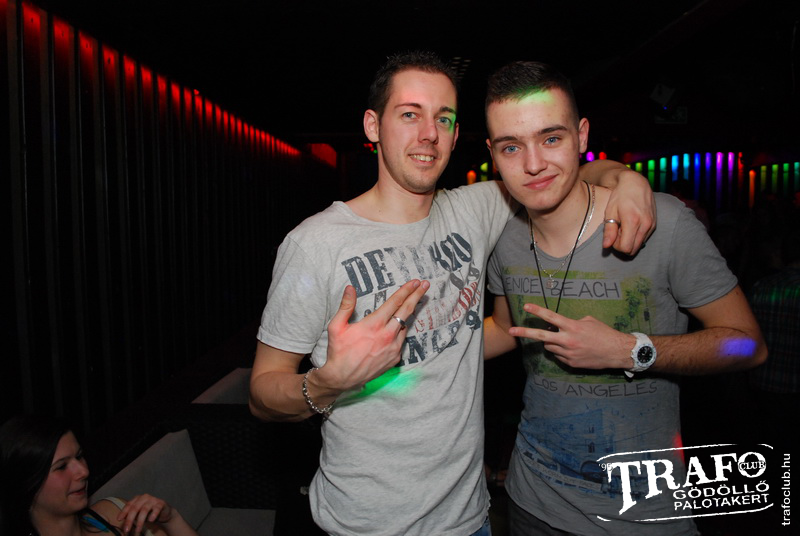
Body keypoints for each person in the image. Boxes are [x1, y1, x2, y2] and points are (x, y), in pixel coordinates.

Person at [249, 51, 656, 536]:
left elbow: (553, 171)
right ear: (373, 126)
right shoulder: (314, 244)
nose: (429, 134)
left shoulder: (477, 207)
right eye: (410, 114)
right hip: (363, 524)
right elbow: (261, 393)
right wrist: (328, 382)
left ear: (456, 134)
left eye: (443, 118)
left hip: (469, 519)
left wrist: (627, 179)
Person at [482, 61, 767, 535]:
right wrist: (410, 353)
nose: (533, 164)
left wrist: (628, 349)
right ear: (493, 154)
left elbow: (748, 345)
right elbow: (506, 328)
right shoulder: (504, 235)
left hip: (642, 516)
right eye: (512, 146)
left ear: (581, 136)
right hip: (532, 502)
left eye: (551, 138)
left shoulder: (664, 223)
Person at [0, 415, 197, 536]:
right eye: (62, 467)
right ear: (27, 486)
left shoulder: (116, 513)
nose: (83, 471)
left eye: (79, 456)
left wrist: (171, 519)